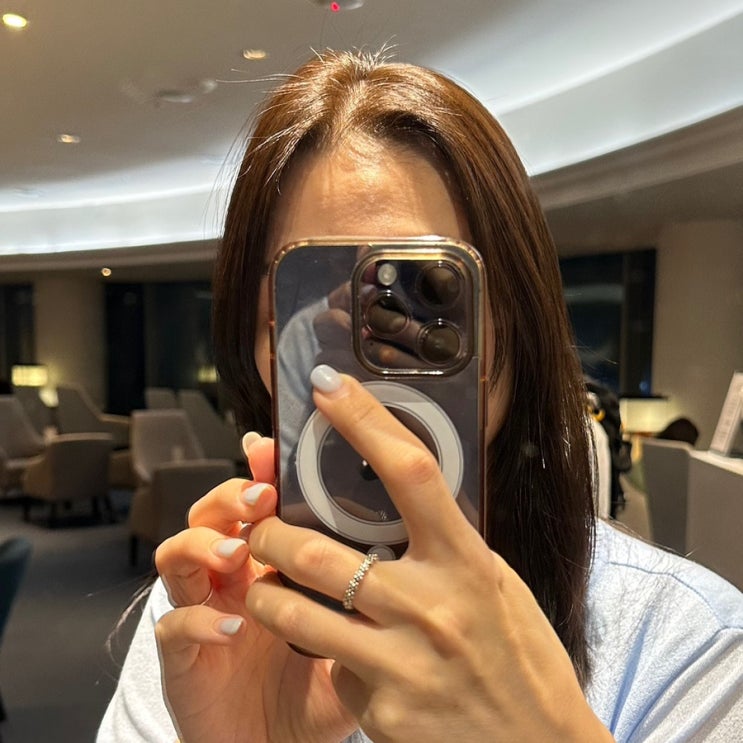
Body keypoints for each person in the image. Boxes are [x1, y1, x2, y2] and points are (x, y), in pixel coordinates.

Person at [98, 49, 743, 742]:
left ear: (515, 322)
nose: (370, 372)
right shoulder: (213, 606)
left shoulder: (684, 646)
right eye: (308, 310)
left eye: (426, 304)